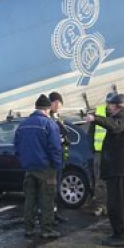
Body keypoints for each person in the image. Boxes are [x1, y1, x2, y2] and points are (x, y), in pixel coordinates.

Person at [86, 93, 124, 247]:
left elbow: (115, 126)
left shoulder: (123, 117)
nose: (108, 107)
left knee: (117, 204)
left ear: (117, 106)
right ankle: (123, 234)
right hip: (123, 170)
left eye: (110, 105)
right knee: (123, 204)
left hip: (119, 170)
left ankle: (121, 235)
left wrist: (95, 119)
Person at [14, 94, 63, 239]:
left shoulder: (23, 125)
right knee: (47, 200)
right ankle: (47, 230)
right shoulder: (49, 124)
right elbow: (55, 148)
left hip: (29, 168)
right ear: (47, 110)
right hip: (46, 169)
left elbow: (16, 147)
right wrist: (57, 165)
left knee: (30, 199)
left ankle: (29, 228)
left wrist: (23, 161)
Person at [84, 92, 117, 217]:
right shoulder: (100, 112)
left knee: (112, 181)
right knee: (99, 180)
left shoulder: (119, 114)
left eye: (112, 103)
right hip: (99, 153)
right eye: (109, 103)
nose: (110, 105)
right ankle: (100, 205)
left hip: (113, 153)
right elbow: (91, 133)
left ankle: (111, 205)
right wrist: (93, 149)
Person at [49, 91, 70, 223]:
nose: (57, 104)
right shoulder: (48, 118)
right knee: (50, 188)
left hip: (60, 158)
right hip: (52, 159)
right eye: (54, 101)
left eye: (59, 101)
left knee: (56, 188)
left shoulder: (60, 118)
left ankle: (55, 213)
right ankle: (48, 215)